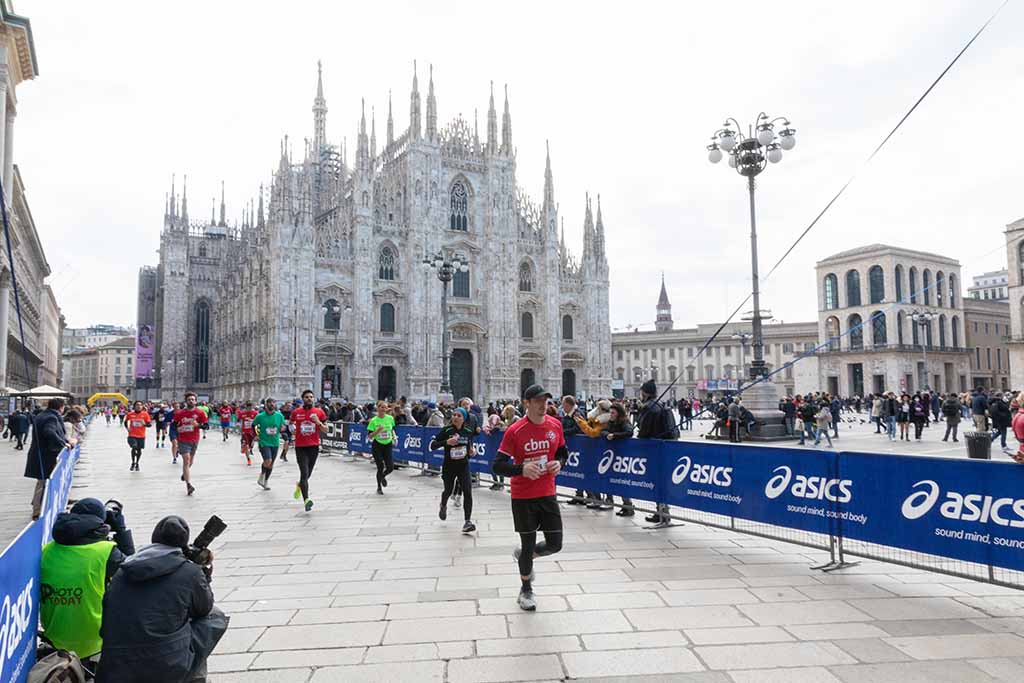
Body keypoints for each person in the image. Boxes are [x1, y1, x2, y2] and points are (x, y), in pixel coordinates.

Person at [97, 516, 223, 683]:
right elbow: (204, 608)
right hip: (166, 666)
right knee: (213, 616)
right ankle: (194, 678)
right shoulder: (190, 572)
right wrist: (203, 575)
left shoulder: (124, 570)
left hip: (115, 663)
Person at [492, 384, 567, 612]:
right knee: (527, 543)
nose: (543, 405)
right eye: (537, 401)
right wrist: (521, 469)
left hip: (547, 492)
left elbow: (563, 451)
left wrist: (559, 463)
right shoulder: (515, 431)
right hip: (523, 496)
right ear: (527, 403)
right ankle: (526, 589)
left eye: (545, 400)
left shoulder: (555, 425)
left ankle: (527, 556)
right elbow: (497, 465)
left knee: (555, 544)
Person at [40, 498, 135, 668]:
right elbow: (134, 569)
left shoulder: (46, 550)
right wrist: (121, 529)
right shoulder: (105, 551)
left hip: (54, 639)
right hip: (95, 641)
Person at [25, 398, 75, 519]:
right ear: (61, 407)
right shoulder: (51, 418)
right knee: (44, 481)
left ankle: (37, 504)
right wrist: (63, 443)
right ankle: (37, 510)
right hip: (46, 455)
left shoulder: (43, 415)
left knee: (42, 481)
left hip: (41, 454)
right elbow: (49, 432)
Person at [636, 380, 678, 526]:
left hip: (653, 450)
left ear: (645, 392)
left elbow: (644, 431)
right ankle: (663, 511)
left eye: (641, 391)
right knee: (662, 482)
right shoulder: (660, 405)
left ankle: (661, 513)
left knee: (657, 482)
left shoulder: (648, 407)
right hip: (663, 448)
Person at [431, 407, 476, 533]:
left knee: (468, 491)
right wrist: (446, 442)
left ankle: (467, 521)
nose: (455, 417)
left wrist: (472, 451)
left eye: (459, 416)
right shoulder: (446, 430)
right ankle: (443, 504)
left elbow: (470, 446)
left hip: (463, 466)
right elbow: (433, 445)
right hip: (449, 466)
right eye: (454, 415)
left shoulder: (468, 431)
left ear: (464, 418)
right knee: (448, 490)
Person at [290, 390, 328, 511]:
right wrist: (293, 429)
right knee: (304, 473)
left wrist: (318, 422)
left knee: (308, 474)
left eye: (311, 397)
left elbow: (326, 429)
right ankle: (306, 500)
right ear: (302, 399)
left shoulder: (319, 412)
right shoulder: (296, 412)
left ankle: (300, 485)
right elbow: (290, 424)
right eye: (307, 397)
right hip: (300, 446)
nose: (309, 399)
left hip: (314, 446)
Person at [602, 403, 635, 515]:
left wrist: (614, 435)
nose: (610, 415)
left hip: (622, 456)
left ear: (618, 413)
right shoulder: (610, 422)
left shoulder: (624, 422)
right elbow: (603, 431)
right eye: (610, 412)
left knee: (622, 481)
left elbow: (629, 432)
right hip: (611, 455)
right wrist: (607, 434)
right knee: (610, 478)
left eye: (613, 413)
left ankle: (627, 506)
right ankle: (610, 500)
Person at [173, 392, 208, 496]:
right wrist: (178, 429)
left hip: (194, 439)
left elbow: (206, 426)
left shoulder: (200, 413)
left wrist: (198, 425)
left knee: (190, 462)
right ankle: (189, 485)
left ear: (195, 401)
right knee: (186, 460)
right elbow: (174, 425)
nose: (191, 401)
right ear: (186, 401)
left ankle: (185, 474)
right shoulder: (180, 413)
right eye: (189, 399)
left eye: (193, 399)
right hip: (183, 440)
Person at [252, 398, 286, 490]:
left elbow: (283, 426)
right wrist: (256, 435)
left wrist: (283, 428)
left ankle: (265, 481)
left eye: (273, 403)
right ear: (266, 405)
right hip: (264, 441)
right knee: (268, 460)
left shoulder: (279, 415)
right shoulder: (260, 416)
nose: (272, 404)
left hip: (275, 442)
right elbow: (253, 425)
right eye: (270, 403)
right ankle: (262, 475)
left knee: (271, 464)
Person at [368, 400, 396, 495]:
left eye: (385, 407)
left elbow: (392, 429)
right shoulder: (373, 421)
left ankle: (383, 476)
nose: (383, 409)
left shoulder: (390, 418)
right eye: (382, 407)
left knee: (390, 467)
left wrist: (394, 438)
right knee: (380, 466)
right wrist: (378, 431)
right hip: (377, 445)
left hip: (388, 444)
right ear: (378, 408)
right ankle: (379, 487)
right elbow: (370, 436)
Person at [124, 400, 152, 471]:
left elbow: (149, 425)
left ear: (142, 406)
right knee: (134, 446)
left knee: (139, 450)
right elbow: (125, 421)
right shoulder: (130, 414)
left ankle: (137, 463)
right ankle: (133, 462)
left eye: (140, 405)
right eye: (137, 405)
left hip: (141, 435)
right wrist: (127, 428)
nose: (139, 406)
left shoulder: (145, 414)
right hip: (132, 435)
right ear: (134, 406)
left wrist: (144, 424)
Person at [237, 400, 258, 466]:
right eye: (248, 407)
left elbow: (258, 422)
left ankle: (248, 448)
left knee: (251, 446)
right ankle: (248, 459)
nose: (249, 409)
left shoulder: (255, 413)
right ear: (246, 407)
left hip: (252, 432)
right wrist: (237, 423)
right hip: (244, 432)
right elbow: (238, 419)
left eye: (251, 407)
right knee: (246, 446)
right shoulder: (242, 413)